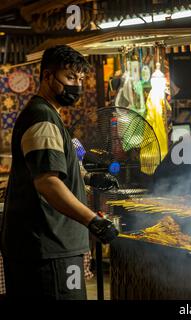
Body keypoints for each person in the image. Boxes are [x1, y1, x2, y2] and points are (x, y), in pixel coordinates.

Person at [0, 45, 119, 300]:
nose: (76, 85)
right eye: (69, 78)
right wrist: (93, 221)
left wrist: (88, 178)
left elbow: (56, 168)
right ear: (47, 77)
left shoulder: (46, 114)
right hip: (48, 249)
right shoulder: (42, 118)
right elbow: (47, 182)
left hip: (49, 247)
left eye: (80, 79)